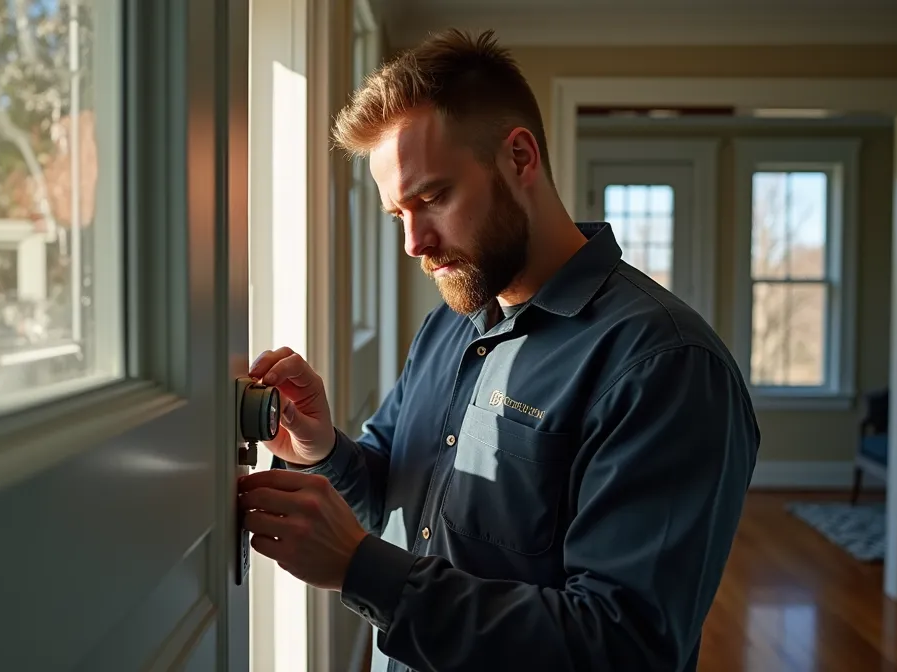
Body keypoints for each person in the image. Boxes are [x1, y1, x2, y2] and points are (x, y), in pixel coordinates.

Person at [239, 28, 760, 672]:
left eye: (430, 198)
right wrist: (323, 450)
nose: (413, 244)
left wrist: (360, 569)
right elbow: (398, 503)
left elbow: (624, 647)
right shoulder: (447, 329)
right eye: (396, 214)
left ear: (519, 158)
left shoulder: (665, 366)